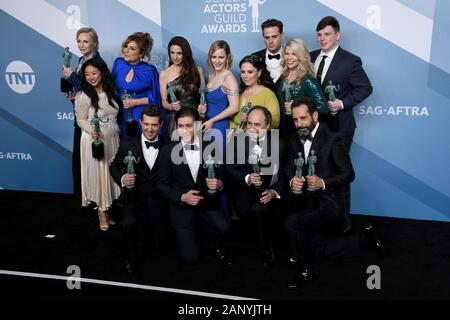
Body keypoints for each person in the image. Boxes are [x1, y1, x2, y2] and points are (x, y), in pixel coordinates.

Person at [283, 97, 382, 288]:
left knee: (295, 223)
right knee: (305, 238)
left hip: (328, 203)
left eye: (303, 118)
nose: (299, 124)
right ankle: (362, 239)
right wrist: (291, 180)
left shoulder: (332, 139)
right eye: (295, 120)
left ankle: (309, 269)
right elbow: (288, 168)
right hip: (304, 200)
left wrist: (322, 182)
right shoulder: (294, 138)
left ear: (314, 115)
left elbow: (349, 174)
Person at [310, 16, 373, 231]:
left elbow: (365, 88)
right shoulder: (310, 57)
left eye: (327, 34)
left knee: (339, 174)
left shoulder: (350, 60)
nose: (322, 38)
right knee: (315, 173)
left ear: (338, 35)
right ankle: (321, 220)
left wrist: (342, 103)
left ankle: (343, 223)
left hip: (340, 127)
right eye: (319, 35)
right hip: (315, 128)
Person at [157, 108, 232, 265]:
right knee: (190, 258)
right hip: (182, 205)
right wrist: (181, 197)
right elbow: (161, 185)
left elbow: (221, 175)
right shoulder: (167, 150)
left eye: (188, 126)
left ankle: (210, 240)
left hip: (206, 202)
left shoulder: (210, 145)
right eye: (180, 126)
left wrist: (219, 183)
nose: (184, 131)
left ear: (198, 126)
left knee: (225, 228)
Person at [110, 106, 168, 272]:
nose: (150, 129)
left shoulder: (169, 145)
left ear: (161, 124)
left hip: (159, 197)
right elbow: (114, 166)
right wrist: (122, 178)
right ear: (141, 123)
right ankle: (131, 256)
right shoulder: (127, 144)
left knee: (161, 239)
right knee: (128, 223)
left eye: (154, 125)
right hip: (134, 196)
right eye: (146, 124)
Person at [227, 106, 285, 266]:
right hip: (244, 192)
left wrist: (274, 191)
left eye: (257, 125)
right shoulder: (237, 141)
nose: (251, 129)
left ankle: (268, 251)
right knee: (249, 214)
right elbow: (229, 168)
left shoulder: (279, 144)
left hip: (268, 193)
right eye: (249, 124)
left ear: (267, 125)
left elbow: (283, 174)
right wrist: (247, 178)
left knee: (260, 210)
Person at [62, 27, 106, 209]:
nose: (81, 45)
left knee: (92, 161)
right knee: (81, 162)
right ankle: (86, 197)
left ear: (94, 43)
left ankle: (97, 200)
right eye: (79, 41)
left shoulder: (97, 62)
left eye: (85, 41)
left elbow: (93, 89)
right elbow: (83, 91)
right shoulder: (82, 60)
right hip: (81, 116)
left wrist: (72, 75)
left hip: (91, 119)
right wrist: (74, 97)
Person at [75, 58, 121, 231]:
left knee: (109, 174)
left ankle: (107, 208)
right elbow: (80, 119)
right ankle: (101, 212)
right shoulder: (83, 95)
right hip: (95, 140)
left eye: (94, 73)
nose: (91, 77)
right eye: (87, 74)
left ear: (102, 72)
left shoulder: (111, 90)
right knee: (99, 175)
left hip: (112, 137)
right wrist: (91, 131)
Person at [112, 32, 161, 139]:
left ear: (141, 53)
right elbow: (110, 89)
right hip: (119, 114)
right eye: (126, 46)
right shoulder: (118, 64)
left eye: (132, 48)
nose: (126, 51)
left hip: (140, 116)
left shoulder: (150, 70)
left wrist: (135, 102)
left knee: (138, 147)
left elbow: (156, 98)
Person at [278, 38, 329, 138]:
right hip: (285, 129)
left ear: (301, 56)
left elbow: (323, 108)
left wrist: (297, 108)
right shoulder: (283, 77)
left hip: (303, 132)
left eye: (294, 54)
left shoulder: (307, 80)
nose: (289, 57)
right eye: (287, 54)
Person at [159, 36, 206, 142]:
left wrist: (203, 104)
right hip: (175, 120)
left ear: (186, 53)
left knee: (196, 154)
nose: (175, 57)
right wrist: (170, 106)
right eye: (172, 53)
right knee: (175, 154)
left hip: (195, 118)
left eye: (179, 53)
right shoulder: (164, 74)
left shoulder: (198, 70)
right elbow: (164, 101)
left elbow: (203, 95)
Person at [201, 40, 239, 153]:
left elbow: (234, 107)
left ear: (227, 57)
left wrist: (212, 121)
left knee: (218, 162)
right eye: (214, 57)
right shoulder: (212, 75)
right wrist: (202, 109)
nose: (217, 61)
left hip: (219, 126)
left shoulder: (229, 78)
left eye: (221, 57)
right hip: (207, 124)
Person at [230, 55, 280, 131]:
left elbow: (275, 122)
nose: (245, 76)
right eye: (243, 72)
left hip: (258, 138)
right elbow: (231, 118)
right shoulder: (239, 92)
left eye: (250, 72)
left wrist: (252, 120)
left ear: (259, 72)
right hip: (235, 135)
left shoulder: (268, 94)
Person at [252, 18, 285, 93]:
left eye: (274, 37)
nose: (270, 41)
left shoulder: (293, 58)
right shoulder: (254, 58)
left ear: (282, 36)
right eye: (267, 37)